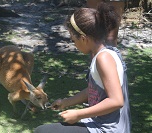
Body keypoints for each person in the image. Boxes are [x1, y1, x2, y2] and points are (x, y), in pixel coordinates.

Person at [34, 2, 131, 133]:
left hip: (106, 129)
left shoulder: (103, 59)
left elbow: (116, 100)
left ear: (84, 38)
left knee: (42, 131)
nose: (74, 44)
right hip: (98, 123)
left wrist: (79, 114)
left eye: (73, 40)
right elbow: (94, 90)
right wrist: (66, 102)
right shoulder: (106, 52)